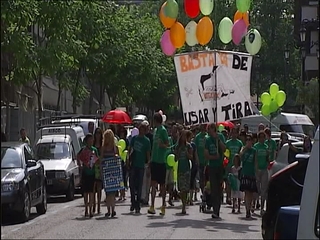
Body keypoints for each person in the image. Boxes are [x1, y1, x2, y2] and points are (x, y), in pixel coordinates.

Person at [148, 112, 169, 216]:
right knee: (153, 184)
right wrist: (151, 160)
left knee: (162, 185)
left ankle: (163, 206)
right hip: (155, 161)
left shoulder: (163, 130)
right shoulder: (155, 131)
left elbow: (167, 144)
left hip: (161, 161)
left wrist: (163, 145)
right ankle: (152, 206)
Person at [128, 122, 151, 214]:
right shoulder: (134, 139)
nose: (141, 131)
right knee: (132, 185)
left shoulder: (146, 141)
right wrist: (128, 159)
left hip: (141, 165)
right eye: (140, 129)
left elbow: (148, 155)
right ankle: (133, 202)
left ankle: (137, 204)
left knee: (140, 185)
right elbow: (130, 149)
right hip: (133, 164)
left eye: (143, 129)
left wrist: (149, 165)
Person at [204, 123, 226, 219]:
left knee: (219, 188)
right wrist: (214, 157)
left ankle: (218, 207)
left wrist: (218, 140)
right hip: (212, 166)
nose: (208, 131)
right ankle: (215, 210)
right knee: (214, 188)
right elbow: (206, 155)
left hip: (220, 166)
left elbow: (224, 149)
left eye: (210, 129)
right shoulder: (207, 140)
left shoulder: (220, 136)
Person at [77, 134, 99, 218]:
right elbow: (78, 157)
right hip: (85, 173)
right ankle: (86, 208)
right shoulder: (83, 150)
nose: (91, 141)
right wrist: (81, 165)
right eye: (89, 140)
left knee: (92, 192)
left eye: (92, 140)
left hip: (92, 173)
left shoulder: (94, 150)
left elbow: (97, 160)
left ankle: (90, 210)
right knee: (86, 192)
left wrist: (94, 162)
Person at [101, 129, 119, 218]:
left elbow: (118, 158)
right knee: (108, 192)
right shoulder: (103, 148)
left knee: (112, 192)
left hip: (113, 172)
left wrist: (116, 157)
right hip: (106, 172)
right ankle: (109, 210)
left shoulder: (114, 147)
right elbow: (101, 159)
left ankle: (113, 209)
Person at [239, 135, 258, 219]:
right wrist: (244, 149)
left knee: (251, 193)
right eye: (247, 140)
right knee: (246, 192)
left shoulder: (254, 151)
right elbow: (240, 157)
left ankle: (249, 207)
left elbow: (255, 162)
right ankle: (247, 210)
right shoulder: (243, 149)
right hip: (245, 172)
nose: (249, 142)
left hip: (251, 173)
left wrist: (256, 173)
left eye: (250, 140)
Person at [175, 130, 193, 214]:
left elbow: (191, 157)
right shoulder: (178, 147)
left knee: (185, 189)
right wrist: (178, 152)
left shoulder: (189, 146)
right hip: (180, 169)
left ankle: (184, 206)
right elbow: (175, 158)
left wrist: (187, 153)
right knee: (181, 189)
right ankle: (183, 202)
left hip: (186, 169)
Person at [225, 128, 243, 205]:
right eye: (233, 133)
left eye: (235, 133)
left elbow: (241, 154)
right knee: (229, 182)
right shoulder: (228, 143)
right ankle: (228, 197)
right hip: (229, 165)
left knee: (236, 183)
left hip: (237, 166)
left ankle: (235, 198)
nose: (234, 135)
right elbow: (225, 154)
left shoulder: (239, 143)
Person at [254, 131, 269, 215]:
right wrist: (256, 169)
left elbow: (267, 159)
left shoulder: (266, 147)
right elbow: (255, 159)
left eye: (264, 137)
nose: (262, 139)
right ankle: (255, 202)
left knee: (264, 189)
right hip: (257, 170)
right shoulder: (256, 147)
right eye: (261, 137)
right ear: (258, 138)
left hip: (264, 170)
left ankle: (262, 207)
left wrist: (266, 165)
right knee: (257, 189)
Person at [194, 124, 207, 195]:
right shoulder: (197, 137)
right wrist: (197, 159)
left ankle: (206, 192)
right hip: (200, 161)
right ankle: (203, 193)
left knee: (206, 178)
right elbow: (195, 149)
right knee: (201, 178)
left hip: (207, 161)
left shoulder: (207, 136)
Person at [141, 120, 152, 205]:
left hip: (148, 162)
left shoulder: (150, 138)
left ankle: (146, 198)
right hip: (140, 162)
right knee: (142, 181)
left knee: (147, 182)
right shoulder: (139, 137)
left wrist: (149, 162)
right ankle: (142, 197)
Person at [92, 128, 103, 214]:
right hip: (92, 168)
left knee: (99, 188)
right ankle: (93, 205)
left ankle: (99, 205)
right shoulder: (92, 144)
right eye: (97, 134)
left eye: (99, 133)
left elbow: (102, 156)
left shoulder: (102, 145)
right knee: (93, 189)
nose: (98, 135)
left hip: (99, 168)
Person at [187, 130, 198, 205]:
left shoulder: (193, 145)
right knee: (187, 182)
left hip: (193, 164)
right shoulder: (184, 145)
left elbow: (196, 154)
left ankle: (190, 198)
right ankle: (187, 198)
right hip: (186, 164)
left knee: (192, 181)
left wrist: (197, 162)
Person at [118, 127, 129, 201]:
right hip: (119, 161)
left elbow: (128, 151)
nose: (122, 133)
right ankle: (121, 193)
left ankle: (123, 193)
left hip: (124, 161)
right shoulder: (119, 141)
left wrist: (127, 160)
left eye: (123, 132)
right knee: (120, 178)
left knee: (124, 178)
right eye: (121, 132)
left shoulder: (127, 141)